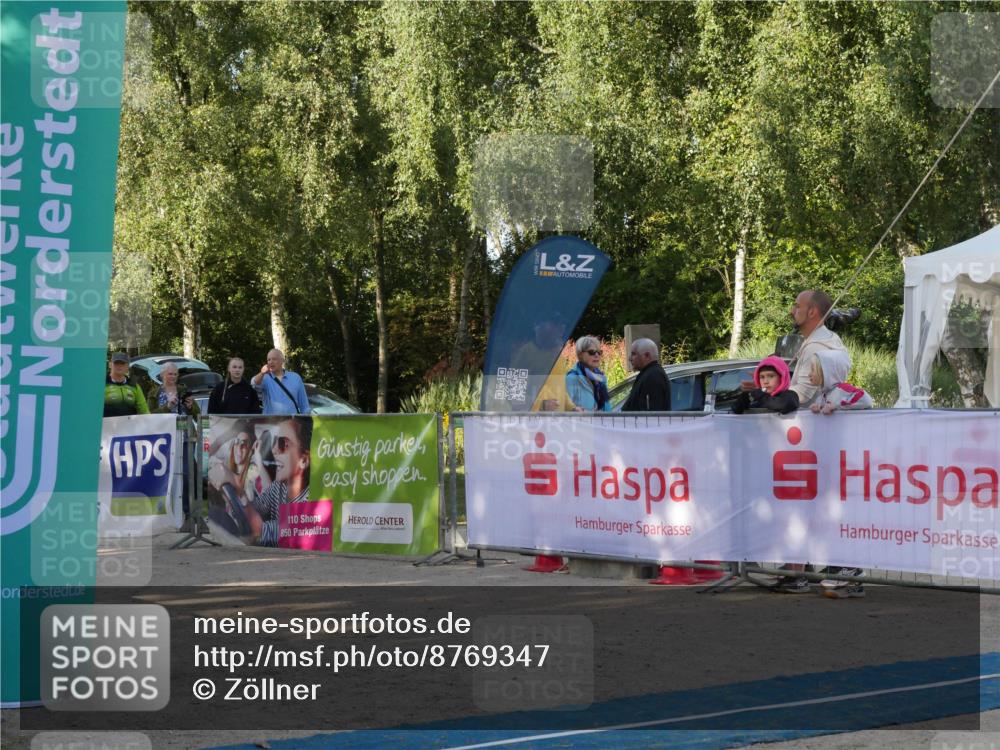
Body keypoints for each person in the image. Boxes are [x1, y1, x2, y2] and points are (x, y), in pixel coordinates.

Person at [244, 417, 311, 546]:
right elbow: (258, 507)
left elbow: (258, 532)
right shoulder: (279, 486)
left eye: (283, 444)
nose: (274, 450)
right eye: (274, 442)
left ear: (303, 460)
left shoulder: (308, 502)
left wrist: (237, 490)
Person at [808, 351, 873, 415]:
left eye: (813, 369)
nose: (809, 374)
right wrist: (817, 408)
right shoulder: (821, 397)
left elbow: (867, 401)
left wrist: (837, 406)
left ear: (827, 372)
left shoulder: (842, 389)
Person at [731, 356, 799, 414]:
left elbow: (784, 404)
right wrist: (745, 398)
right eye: (762, 377)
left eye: (771, 376)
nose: (765, 382)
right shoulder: (756, 397)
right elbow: (736, 409)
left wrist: (761, 396)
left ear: (782, 378)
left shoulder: (790, 395)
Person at [252, 349, 309, 415]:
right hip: (270, 423)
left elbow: (304, 405)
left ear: (282, 361)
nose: (271, 362)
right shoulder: (265, 378)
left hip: (291, 423)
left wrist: (306, 422)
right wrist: (262, 373)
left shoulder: (295, 377)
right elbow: (254, 384)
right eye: (269, 360)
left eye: (274, 359)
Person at [621, 338, 671, 412]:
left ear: (647, 356)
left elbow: (651, 415)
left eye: (634, 354)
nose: (630, 358)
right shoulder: (649, 373)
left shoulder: (654, 376)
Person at [565, 336, 612, 412]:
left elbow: (607, 409)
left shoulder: (600, 378)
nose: (597, 355)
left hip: (603, 423)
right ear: (580, 355)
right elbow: (565, 408)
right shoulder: (572, 378)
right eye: (591, 352)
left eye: (599, 352)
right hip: (584, 423)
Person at [104, 352, 149, 417]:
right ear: (110, 365)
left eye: (122, 363)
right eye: (116, 363)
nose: (119, 366)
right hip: (107, 426)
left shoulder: (134, 385)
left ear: (128, 366)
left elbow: (144, 411)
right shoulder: (102, 383)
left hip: (130, 426)